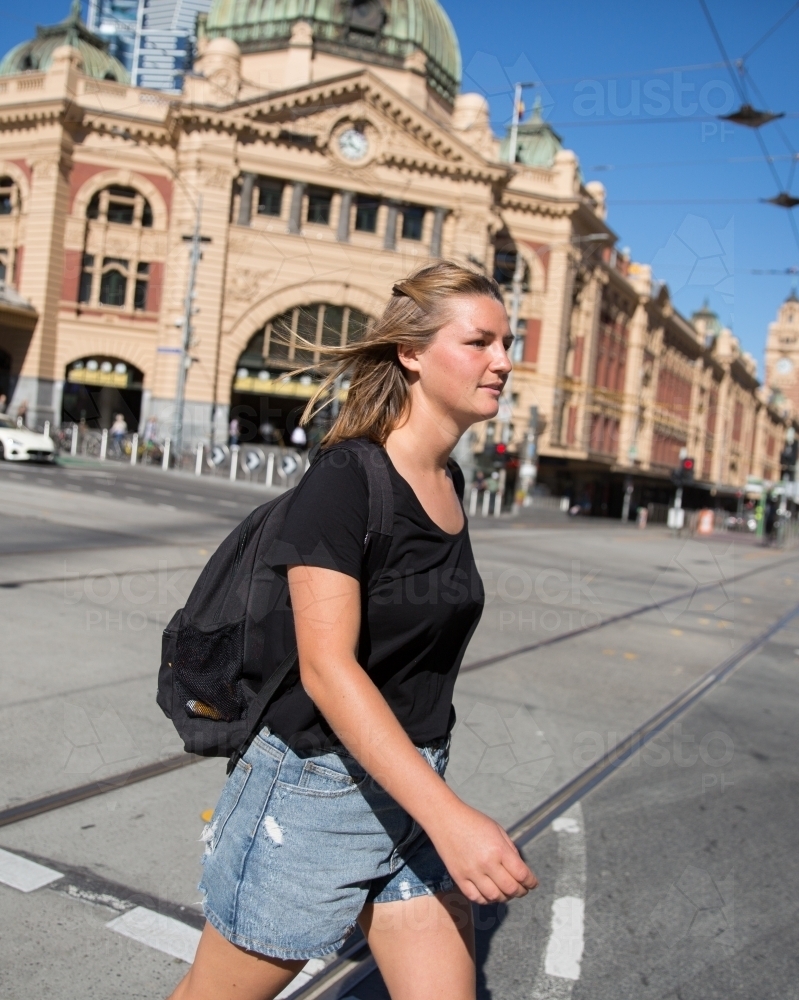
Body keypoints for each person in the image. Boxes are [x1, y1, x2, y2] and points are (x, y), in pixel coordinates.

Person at [169, 261, 537, 1000]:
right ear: (411, 353)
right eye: (479, 342)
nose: (502, 361)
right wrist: (452, 820)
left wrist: (431, 803)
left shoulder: (448, 481)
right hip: (314, 795)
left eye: (506, 342)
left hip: (411, 779)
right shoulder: (345, 483)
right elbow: (328, 669)